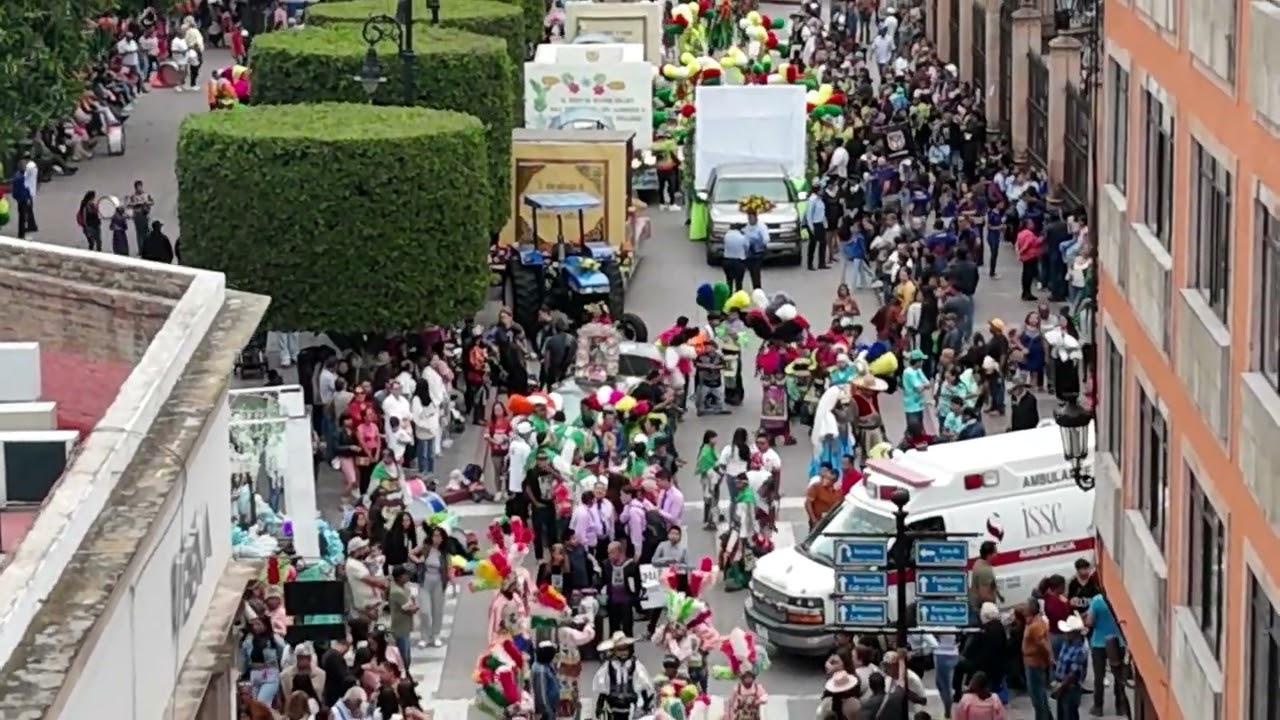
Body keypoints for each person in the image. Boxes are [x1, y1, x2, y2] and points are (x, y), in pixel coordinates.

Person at [1084, 589, 1129, 716]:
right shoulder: (1121, 599)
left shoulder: (1097, 600)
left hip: (1099, 643)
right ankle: (1120, 706)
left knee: (1099, 676)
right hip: (1118, 642)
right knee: (1118, 676)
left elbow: (1090, 622)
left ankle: (1098, 707)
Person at [411, 525, 452, 648]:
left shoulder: (444, 552)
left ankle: (436, 635)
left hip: (438, 583)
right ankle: (424, 636)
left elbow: (449, 568)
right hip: (425, 582)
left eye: (439, 536)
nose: (436, 538)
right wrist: (418, 561)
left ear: (443, 538)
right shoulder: (426, 547)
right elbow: (411, 553)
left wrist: (451, 580)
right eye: (435, 536)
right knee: (425, 611)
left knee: (437, 611)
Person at [600, 541, 643, 636]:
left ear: (619, 552)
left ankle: (628, 644)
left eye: (611, 553)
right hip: (612, 600)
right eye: (608, 553)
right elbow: (603, 581)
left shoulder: (631, 565)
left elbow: (638, 583)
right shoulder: (606, 564)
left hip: (626, 600)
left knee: (627, 627)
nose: (609, 556)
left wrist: (634, 599)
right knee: (614, 628)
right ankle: (614, 644)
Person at [1020, 598, 1053, 720]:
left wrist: (1049, 658)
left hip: (1034, 664)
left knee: (1037, 696)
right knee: (1040, 694)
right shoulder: (1035, 621)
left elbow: (1043, 644)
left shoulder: (1035, 626)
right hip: (1033, 662)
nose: (1024, 608)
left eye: (1026, 606)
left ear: (1031, 609)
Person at [1052, 614, 1089, 720]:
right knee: (1062, 715)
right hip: (1062, 684)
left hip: (1070, 687)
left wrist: (1061, 687)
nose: (1065, 634)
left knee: (1069, 715)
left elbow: (1073, 673)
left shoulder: (1080, 650)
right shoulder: (1067, 643)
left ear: (1075, 633)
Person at [387, 564, 418, 670]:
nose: (408, 576)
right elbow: (410, 608)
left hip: (405, 626)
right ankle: (405, 674)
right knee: (404, 657)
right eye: (406, 575)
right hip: (400, 628)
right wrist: (415, 605)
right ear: (400, 577)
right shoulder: (397, 592)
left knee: (406, 654)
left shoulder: (403, 587)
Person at [805, 182, 829, 270]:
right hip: (814, 224)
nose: (822, 191)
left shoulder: (820, 200)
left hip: (820, 223)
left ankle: (821, 263)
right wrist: (811, 227)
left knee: (823, 243)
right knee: (813, 244)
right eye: (821, 190)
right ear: (817, 191)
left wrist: (825, 223)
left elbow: (822, 212)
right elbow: (809, 215)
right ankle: (810, 264)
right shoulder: (812, 200)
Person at [722, 224, 749, 292]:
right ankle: (738, 296)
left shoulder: (726, 236)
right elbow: (747, 247)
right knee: (739, 282)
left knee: (729, 281)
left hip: (727, 260)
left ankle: (729, 295)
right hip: (739, 261)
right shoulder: (742, 237)